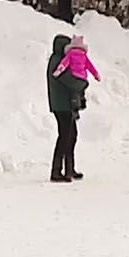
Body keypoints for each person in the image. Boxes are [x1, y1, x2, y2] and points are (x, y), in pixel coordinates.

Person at [46, 33, 88, 183]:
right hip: (62, 105)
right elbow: (69, 81)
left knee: (71, 135)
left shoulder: (56, 60)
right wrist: (83, 83)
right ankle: (56, 171)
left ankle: (69, 169)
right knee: (65, 137)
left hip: (63, 104)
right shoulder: (58, 61)